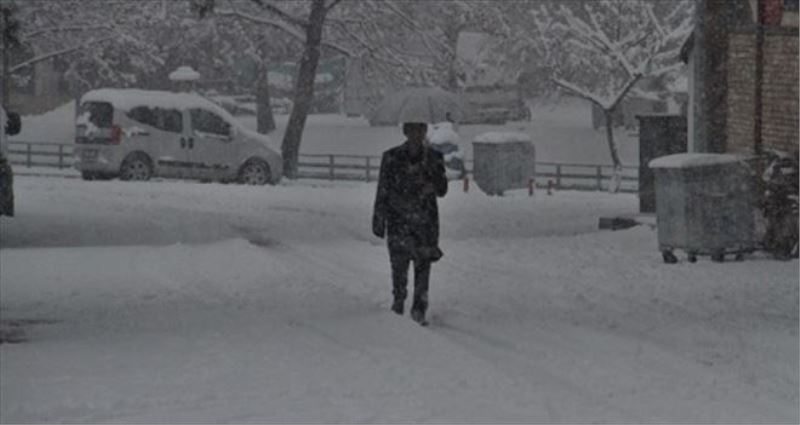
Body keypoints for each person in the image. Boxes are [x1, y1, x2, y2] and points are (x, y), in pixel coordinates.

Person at [372, 122, 448, 325]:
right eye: (412, 130)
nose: (417, 135)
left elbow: (442, 189)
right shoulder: (391, 157)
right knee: (399, 264)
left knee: (423, 266)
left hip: (425, 222)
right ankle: (398, 300)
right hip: (399, 219)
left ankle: (419, 308)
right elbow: (383, 189)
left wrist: (432, 179)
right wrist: (379, 219)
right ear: (406, 132)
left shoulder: (433, 157)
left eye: (420, 130)